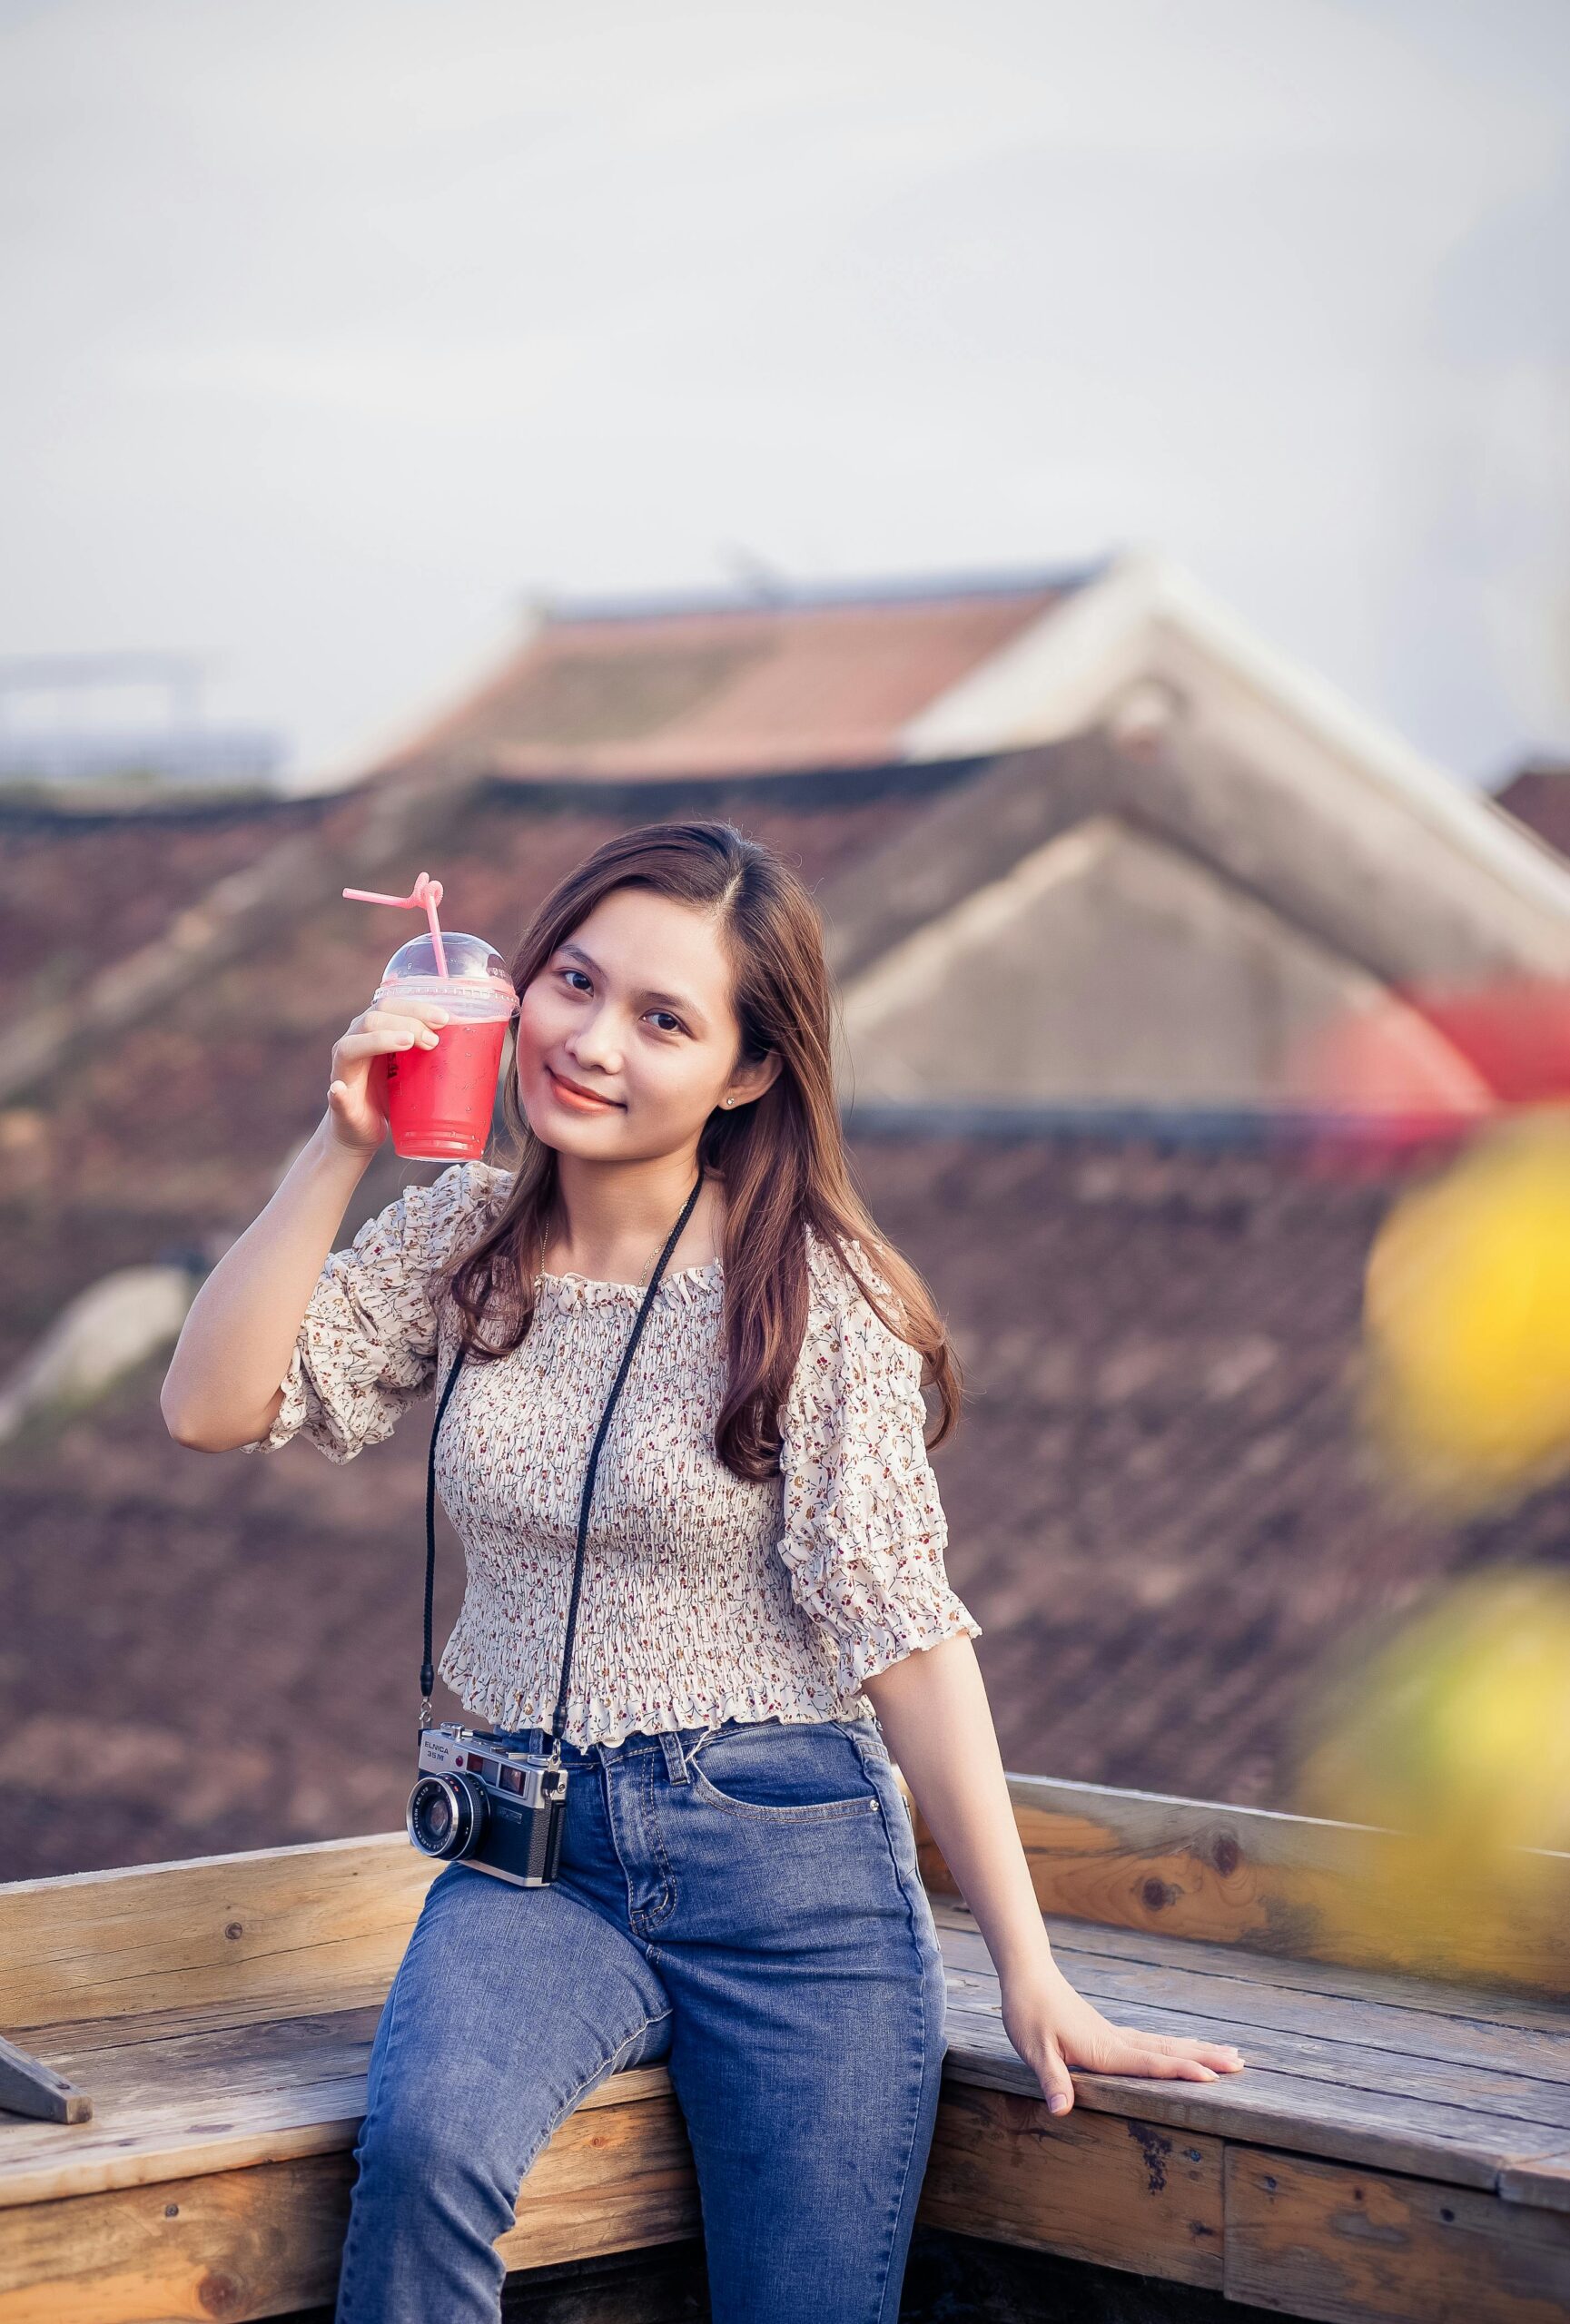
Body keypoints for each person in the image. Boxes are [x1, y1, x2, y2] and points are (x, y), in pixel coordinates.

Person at [162, 821, 1245, 2324]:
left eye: (663, 1019)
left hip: (787, 1864)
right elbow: (210, 1407)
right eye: (573, 984)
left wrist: (1031, 1969)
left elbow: (907, 1641)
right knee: (420, 2164)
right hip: (534, 1855)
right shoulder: (467, 1237)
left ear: (745, 1071)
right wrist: (340, 1144)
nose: (591, 1043)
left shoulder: (806, 1290)